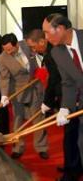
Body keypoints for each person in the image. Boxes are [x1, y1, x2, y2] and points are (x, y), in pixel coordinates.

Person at [26, 29, 77, 174]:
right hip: (68, 94)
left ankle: (72, 170)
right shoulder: (53, 51)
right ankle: (71, 166)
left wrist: (48, 102)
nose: (33, 50)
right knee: (70, 135)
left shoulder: (53, 54)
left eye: (34, 46)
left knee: (71, 136)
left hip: (70, 96)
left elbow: (56, 79)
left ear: (42, 41)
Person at [42, 14, 83, 181]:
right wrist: (66, 107)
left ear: (60, 29)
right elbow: (68, 82)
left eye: (46, 32)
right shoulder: (57, 52)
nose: (45, 37)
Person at [0, 33, 48, 159]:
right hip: (18, 91)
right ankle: (18, 148)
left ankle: (41, 147)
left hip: (35, 86)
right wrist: (4, 95)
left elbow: (39, 55)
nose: (7, 52)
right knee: (18, 120)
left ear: (16, 45)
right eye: (5, 49)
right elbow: (4, 78)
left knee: (38, 118)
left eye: (9, 49)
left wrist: (42, 69)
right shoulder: (2, 59)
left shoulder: (26, 45)